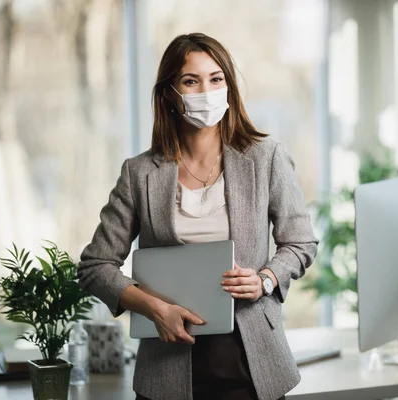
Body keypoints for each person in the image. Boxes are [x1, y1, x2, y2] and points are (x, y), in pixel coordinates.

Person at [77, 32, 318, 400]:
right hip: (167, 366)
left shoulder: (265, 157)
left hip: (252, 365)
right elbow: (95, 266)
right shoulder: (139, 172)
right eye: (191, 81)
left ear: (229, 87)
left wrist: (265, 279)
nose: (206, 90)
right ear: (169, 95)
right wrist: (155, 309)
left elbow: (300, 243)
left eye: (216, 79)